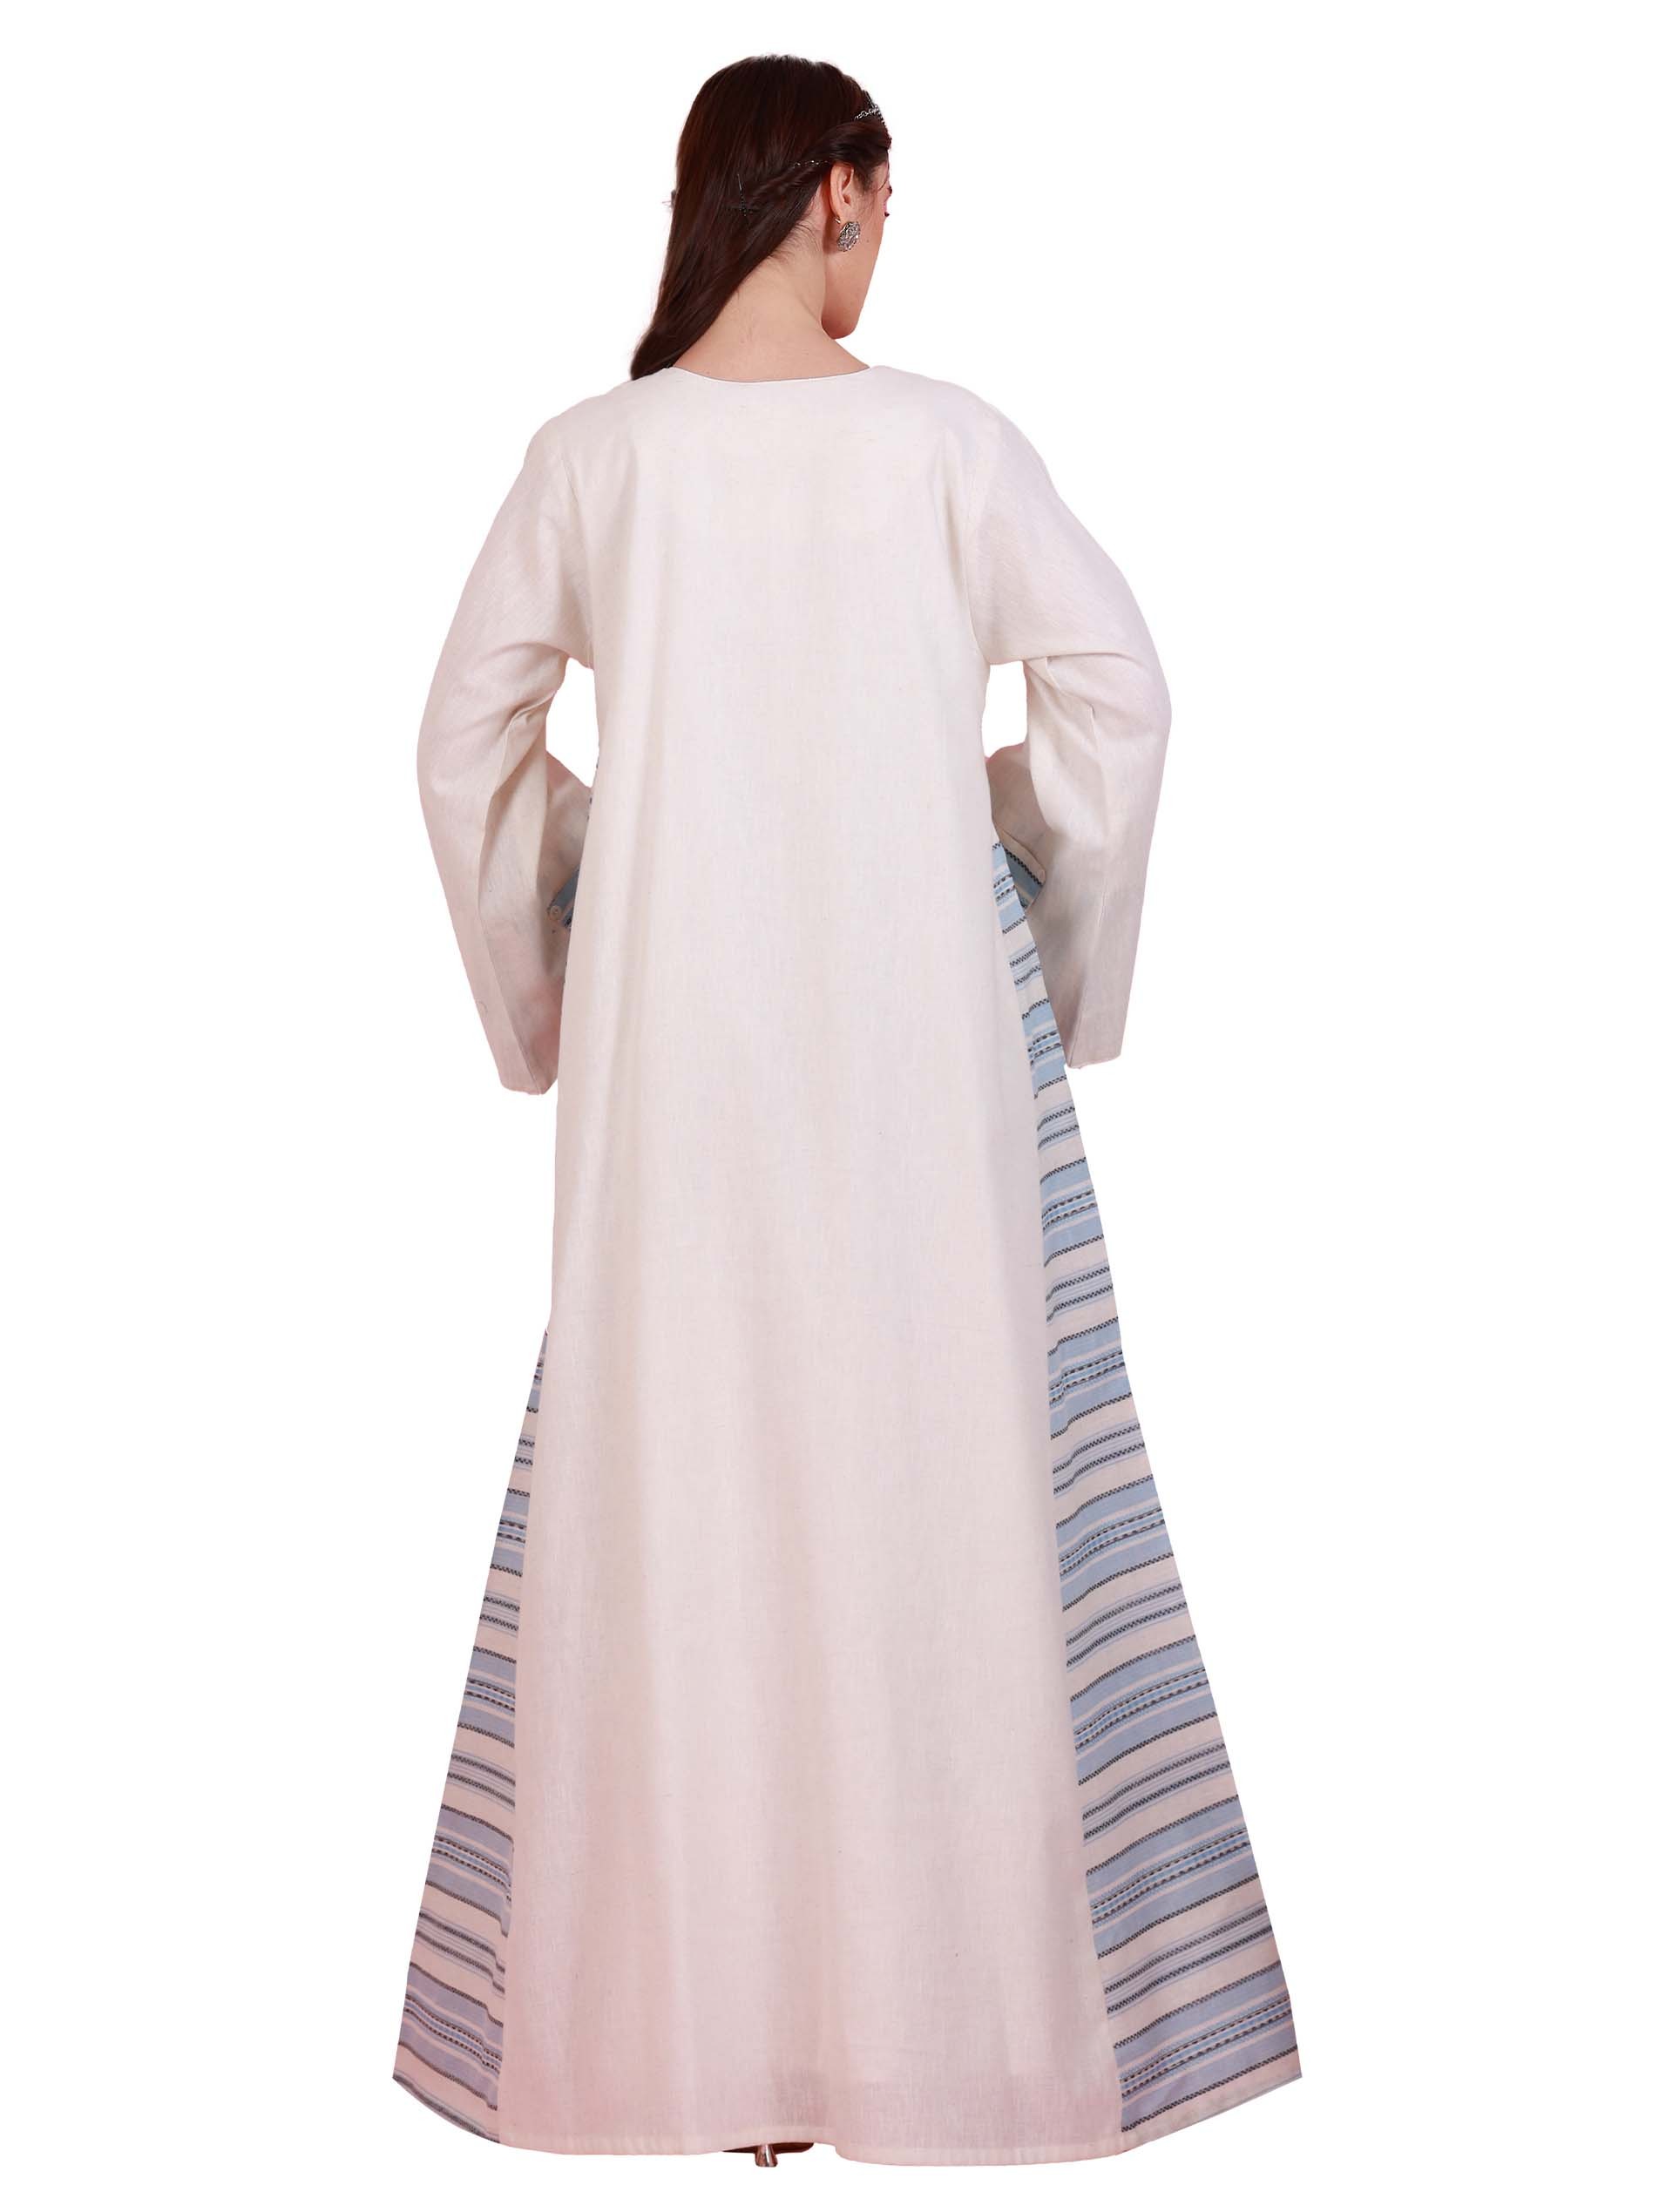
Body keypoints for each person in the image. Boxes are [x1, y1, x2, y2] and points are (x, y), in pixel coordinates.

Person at [396, 51, 1300, 2168]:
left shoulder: (593, 459)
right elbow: (1120, 696)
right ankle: (939, 2055)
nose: (882, 246)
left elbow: (459, 751)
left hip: (674, 1085)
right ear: (835, 194)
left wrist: (574, 937)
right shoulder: (946, 446)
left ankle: (697, 2054)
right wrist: (1007, 879)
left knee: (682, 1512)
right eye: (883, 209)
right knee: (939, 1507)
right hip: (922, 1076)